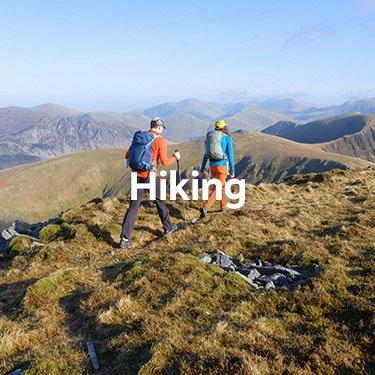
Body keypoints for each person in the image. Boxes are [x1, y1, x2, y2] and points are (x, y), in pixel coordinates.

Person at [120, 118, 180, 249]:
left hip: (137, 176)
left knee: (133, 207)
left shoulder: (140, 138)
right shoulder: (159, 141)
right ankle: (168, 228)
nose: (162, 131)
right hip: (152, 176)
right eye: (162, 128)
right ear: (159, 128)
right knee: (160, 202)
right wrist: (175, 157)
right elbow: (164, 162)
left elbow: (127, 155)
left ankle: (124, 239)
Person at [199, 120, 235, 218]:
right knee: (219, 186)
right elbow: (231, 155)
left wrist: (201, 170)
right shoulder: (227, 138)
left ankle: (223, 206)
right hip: (222, 166)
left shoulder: (210, 137)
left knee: (222, 185)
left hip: (212, 166)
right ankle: (206, 206)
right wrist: (232, 170)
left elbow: (205, 155)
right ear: (224, 128)